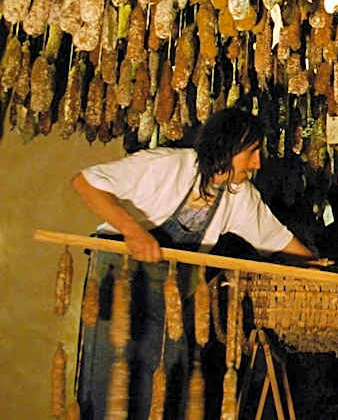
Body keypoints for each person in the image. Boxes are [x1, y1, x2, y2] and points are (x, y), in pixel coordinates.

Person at [71, 107, 323, 419]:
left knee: (167, 385)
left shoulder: (238, 195)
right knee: (109, 385)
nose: (257, 163)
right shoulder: (167, 165)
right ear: (228, 146)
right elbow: (85, 182)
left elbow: (277, 240)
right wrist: (133, 231)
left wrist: (317, 268)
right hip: (118, 282)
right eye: (252, 152)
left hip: (171, 298)